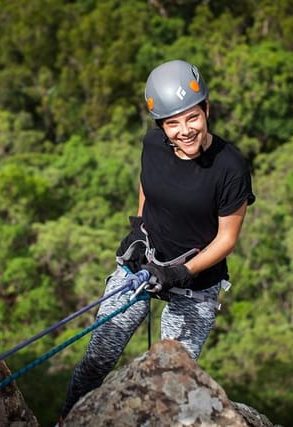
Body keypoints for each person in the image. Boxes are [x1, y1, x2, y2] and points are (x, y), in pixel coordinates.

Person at [59, 59, 255, 419]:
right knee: (100, 354)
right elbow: (148, 183)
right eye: (173, 122)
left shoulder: (231, 167)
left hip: (195, 283)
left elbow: (227, 239)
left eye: (192, 117)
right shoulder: (153, 145)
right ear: (161, 126)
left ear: (207, 110)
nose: (185, 130)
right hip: (143, 262)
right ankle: (67, 419)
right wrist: (139, 227)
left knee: (170, 379)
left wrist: (181, 273)